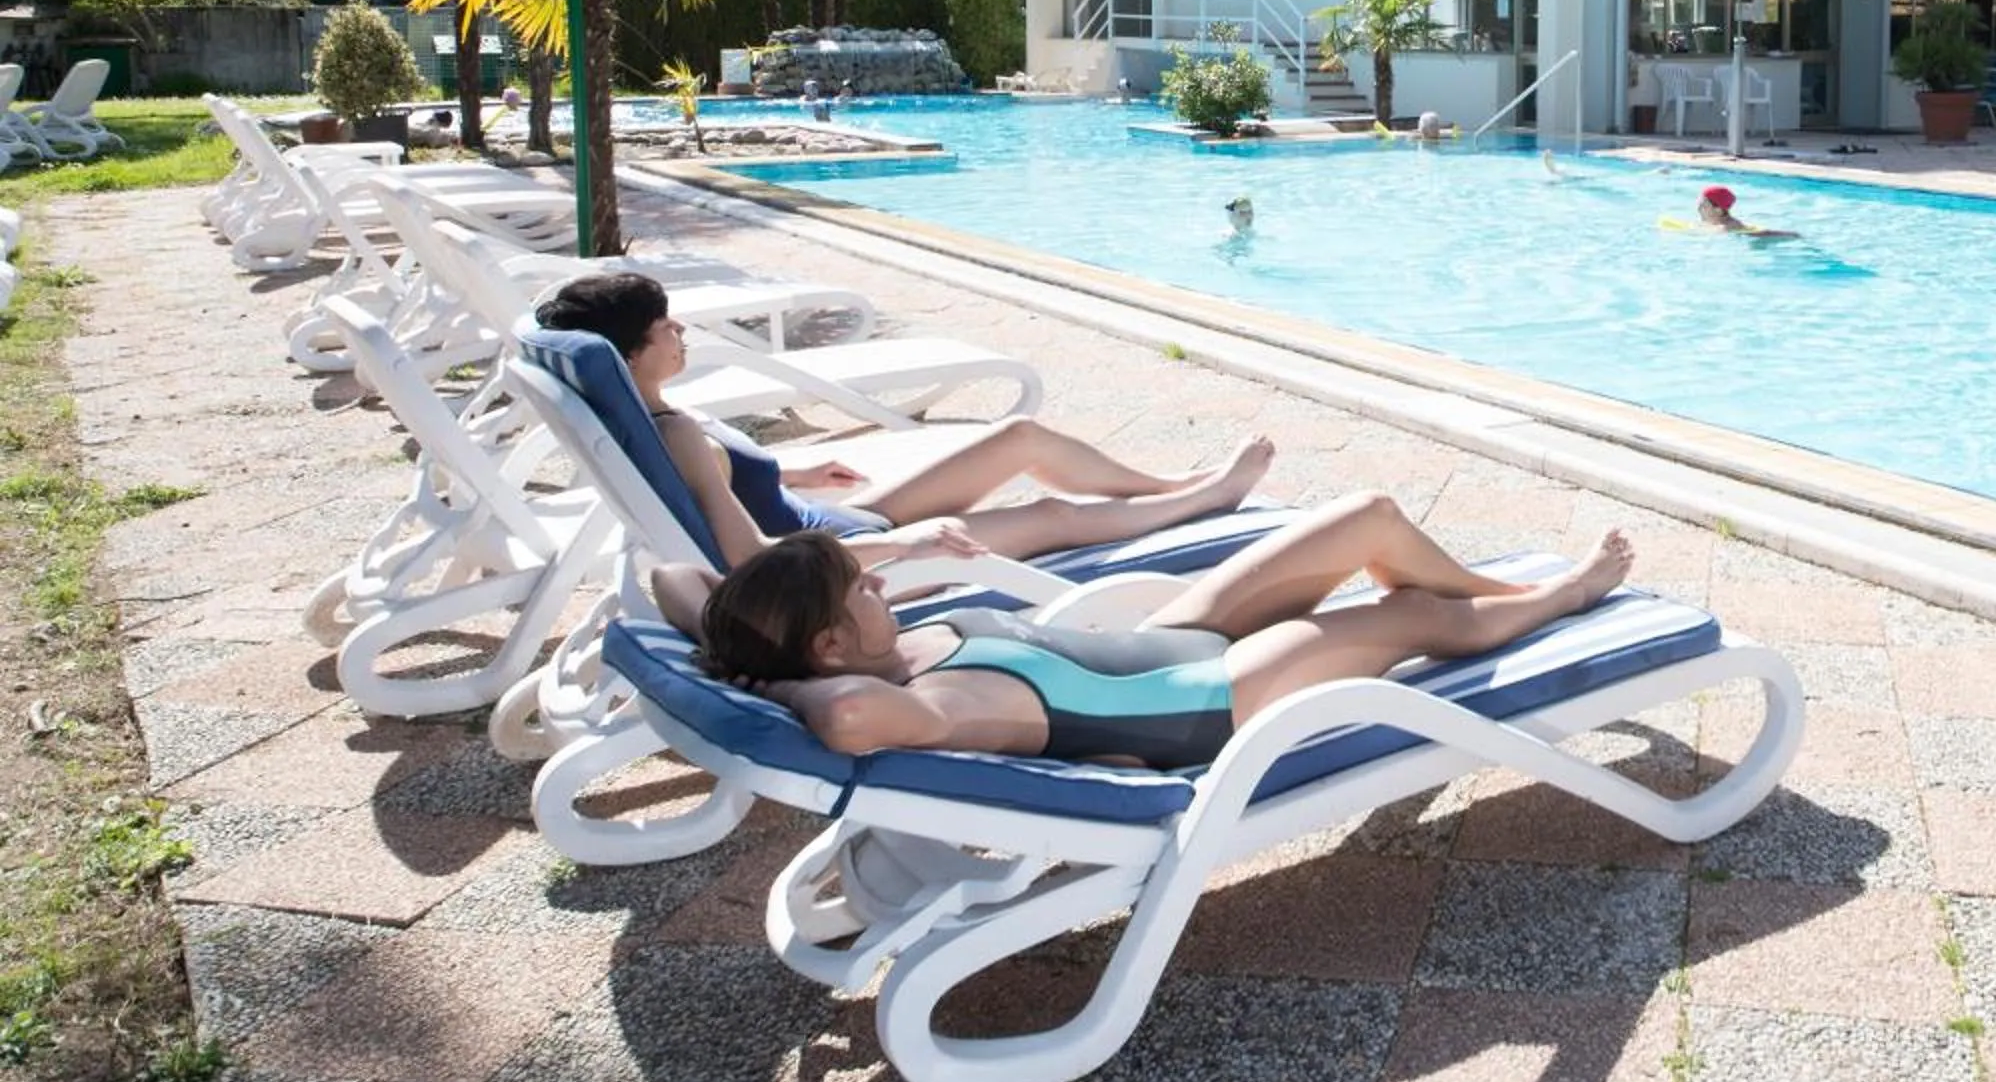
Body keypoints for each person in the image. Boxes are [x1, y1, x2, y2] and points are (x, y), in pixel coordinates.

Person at [666, 496, 1636, 768]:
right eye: (860, 588)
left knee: (1369, 517)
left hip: (1165, 643)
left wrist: (738, 657)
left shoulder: (865, 647)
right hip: (1203, 706)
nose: (880, 580)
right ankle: (1561, 599)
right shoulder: (900, 700)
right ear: (826, 648)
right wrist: (774, 686)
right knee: (1408, 618)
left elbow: (672, 581)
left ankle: (1498, 588)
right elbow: (843, 721)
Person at [529, 271, 1274, 573]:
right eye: (664, 325)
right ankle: (1201, 502)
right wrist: (906, 542)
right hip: (839, 560)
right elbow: (756, 563)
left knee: (1018, 439)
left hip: (835, 517)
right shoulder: (676, 434)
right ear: (631, 353)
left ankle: (1177, 483)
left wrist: (793, 471)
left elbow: (715, 479)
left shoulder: (659, 418)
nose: (680, 329)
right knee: (1049, 515)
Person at [1693, 184, 1799, 241]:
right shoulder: (1716, 224)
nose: (1698, 208)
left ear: (1718, 209)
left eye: (1703, 205)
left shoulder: (1727, 227)